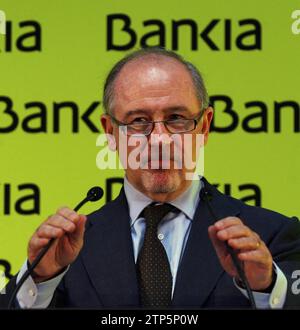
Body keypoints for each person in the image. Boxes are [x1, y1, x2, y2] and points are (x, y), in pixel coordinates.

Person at [2, 47, 300, 309]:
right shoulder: (65, 252)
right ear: (110, 132)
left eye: (176, 119)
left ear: (204, 126)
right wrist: (40, 281)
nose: (159, 139)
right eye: (138, 121)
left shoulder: (272, 236)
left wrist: (267, 289)